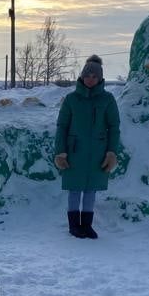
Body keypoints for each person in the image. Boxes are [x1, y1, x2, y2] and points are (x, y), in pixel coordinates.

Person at [53, 54, 120, 239]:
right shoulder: (71, 99)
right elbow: (62, 127)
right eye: (87, 76)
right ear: (82, 76)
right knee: (75, 189)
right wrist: (60, 152)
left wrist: (112, 152)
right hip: (75, 151)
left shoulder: (107, 100)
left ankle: (87, 225)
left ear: (100, 79)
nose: (90, 79)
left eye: (94, 76)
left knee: (91, 190)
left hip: (98, 153)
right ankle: (74, 226)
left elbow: (114, 127)